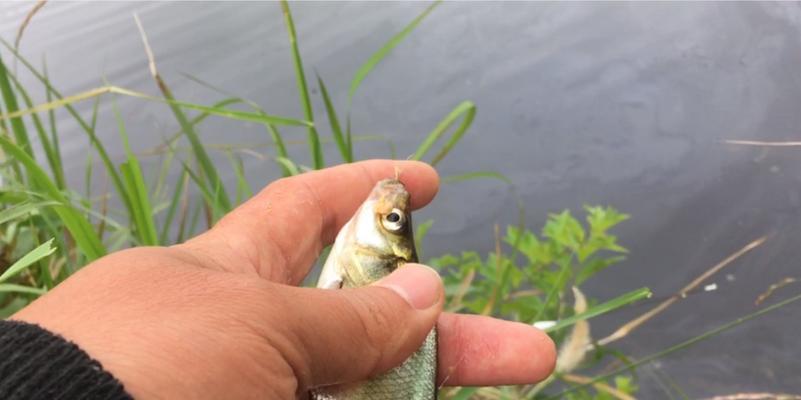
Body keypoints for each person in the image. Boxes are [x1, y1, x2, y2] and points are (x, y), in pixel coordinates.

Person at [0, 160, 556, 399]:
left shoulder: (366, 273)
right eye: (395, 220)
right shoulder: (367, 276)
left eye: (392, 220)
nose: (390, 207)